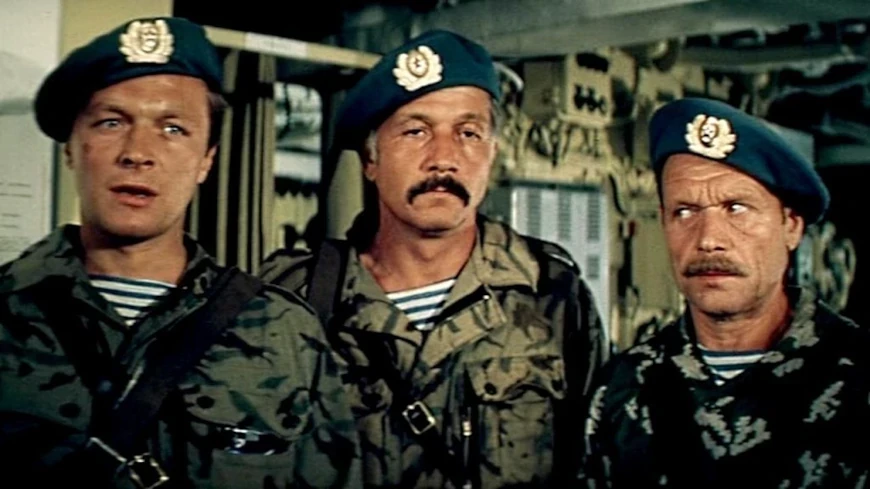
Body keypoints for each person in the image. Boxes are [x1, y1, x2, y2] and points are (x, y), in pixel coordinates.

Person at [0, 17, 361, 488]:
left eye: (173, 128)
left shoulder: (285, 332)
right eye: (111, 122)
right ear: (71, 147)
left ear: (206, 160)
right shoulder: (8, 309)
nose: (138, 153)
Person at [259, 29, 608, 488]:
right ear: (370, 159)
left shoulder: (553, 297)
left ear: (491, 154)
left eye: (468, 133)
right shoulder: (296, 299)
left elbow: (595, 465)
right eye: (416, 131)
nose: (444, 158)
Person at [579, 97, 870, 488]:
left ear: (791, 226)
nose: (708, 239)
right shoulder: (623, 387)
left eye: (736, 208)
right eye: (685, 212)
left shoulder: (858, 378)